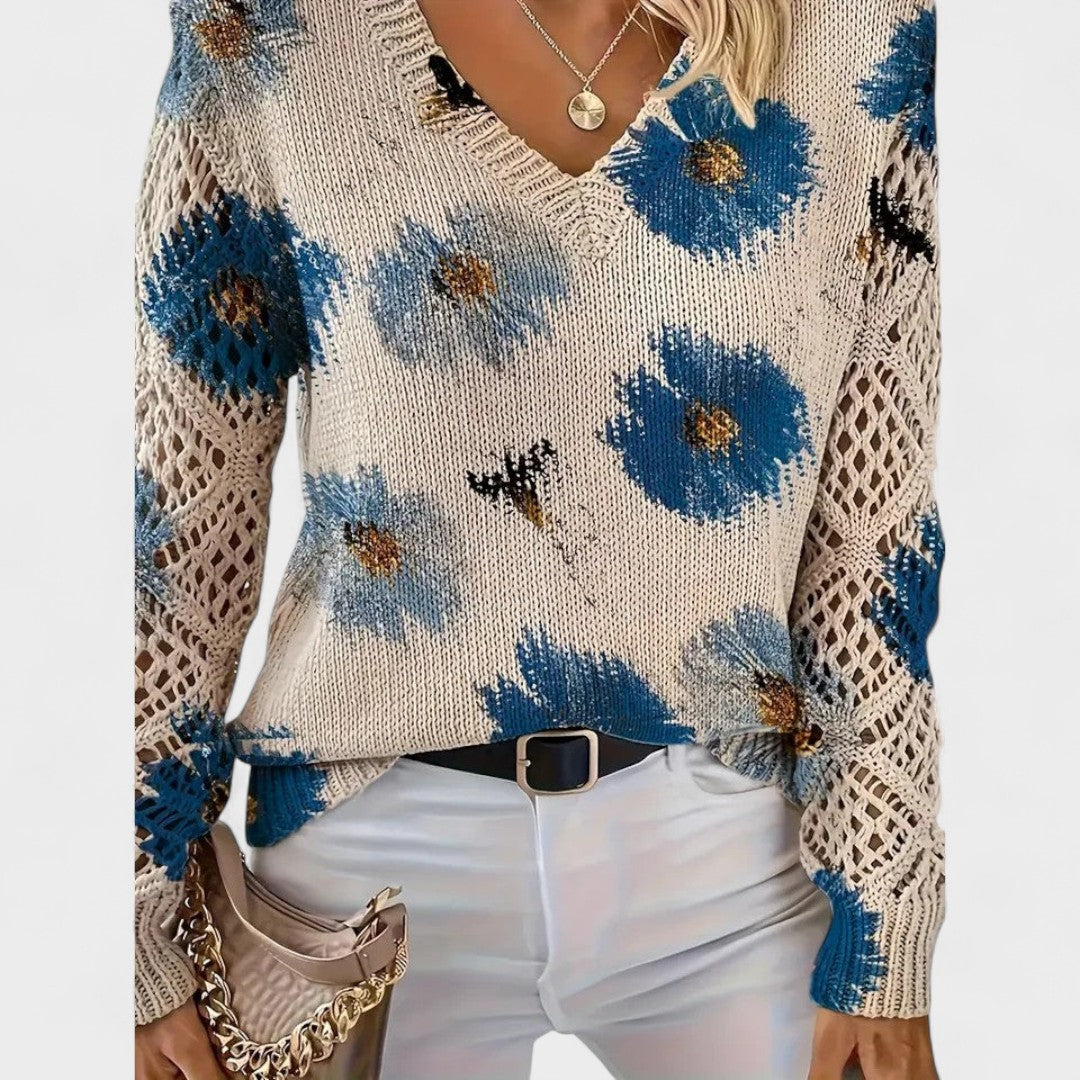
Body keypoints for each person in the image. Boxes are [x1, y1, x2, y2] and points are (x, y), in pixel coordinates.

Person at [133, 1, 945, 1077]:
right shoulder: (270, 32)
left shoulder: (856, 32)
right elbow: (183, 529)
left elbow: (871, 536)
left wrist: (887, 917)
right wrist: (137, 923)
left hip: (734, 862)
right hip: (358, 880)